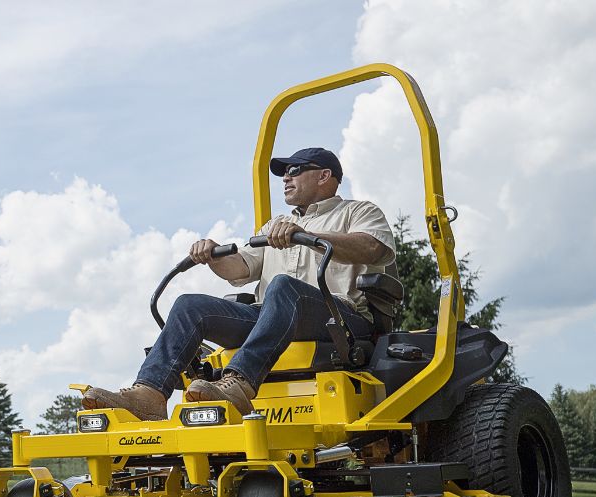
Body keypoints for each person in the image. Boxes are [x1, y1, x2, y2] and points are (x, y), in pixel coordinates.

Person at [84, 147, 396, 421]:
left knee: (283, 287)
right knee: (190, 305)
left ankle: (239, 384)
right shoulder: (274, 226)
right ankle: (149, 396)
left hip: (338, 318)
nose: (286, 179)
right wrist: (212, 254)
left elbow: (373, 247)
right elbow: (241, 267)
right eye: (283, 174)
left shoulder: (358, 211)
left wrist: (309, 237)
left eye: (295, 171)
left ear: (325, 175)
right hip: (272, 318)